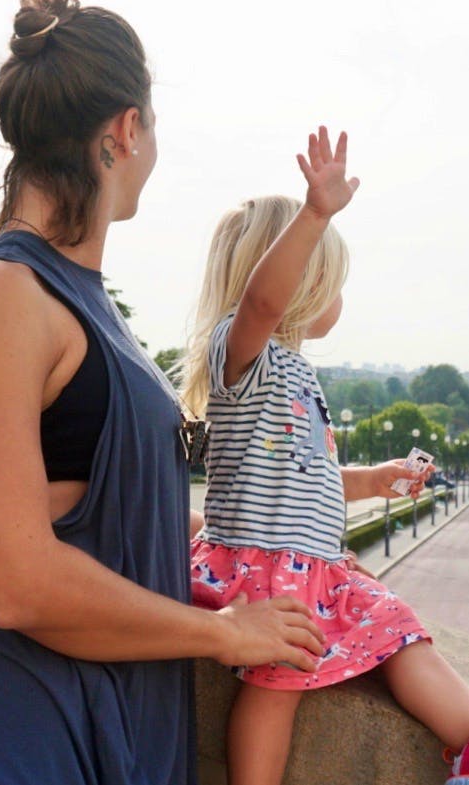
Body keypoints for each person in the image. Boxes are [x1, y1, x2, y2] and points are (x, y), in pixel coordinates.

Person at [0, 0, 326, 785]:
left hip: (80, 738)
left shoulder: (75, 303)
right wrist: (224, 633)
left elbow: (105, 510)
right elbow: (16, 583)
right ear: (126, 129)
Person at [180, 127, 469, 785]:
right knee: (279, 676)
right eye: (330, 281)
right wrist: (314, 216)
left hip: (301, 564)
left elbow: (302, 477)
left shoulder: (290, 372)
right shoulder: (244, 354)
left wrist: (373, 479)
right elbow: (261, 300)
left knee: (395, 623)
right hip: (267, 566)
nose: (340, 299)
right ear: (302, 283)